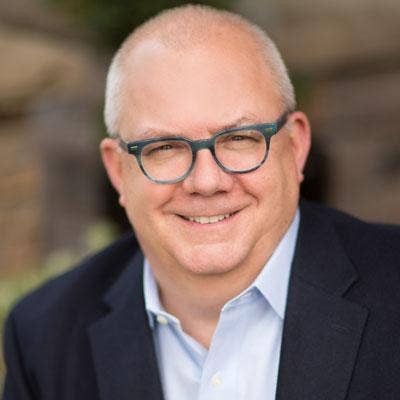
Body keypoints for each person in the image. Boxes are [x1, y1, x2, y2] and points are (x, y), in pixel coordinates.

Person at [3, 5, 400, 400]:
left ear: (296, 147)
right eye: (165, 147)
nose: (206, 182)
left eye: (239, 139)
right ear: (117, 170)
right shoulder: (45, 335)